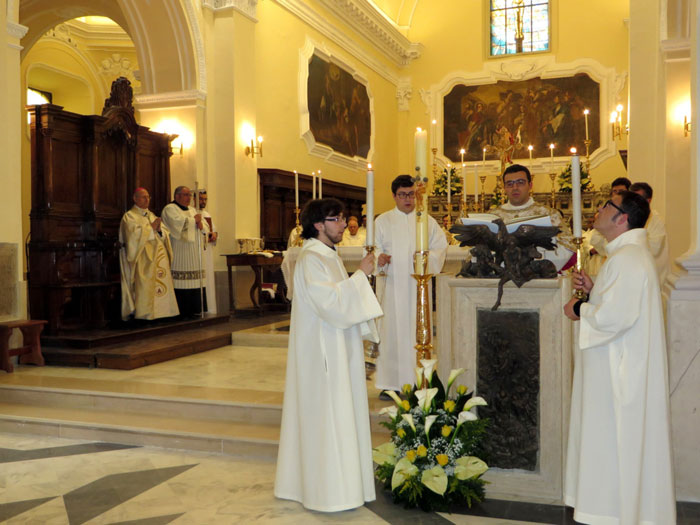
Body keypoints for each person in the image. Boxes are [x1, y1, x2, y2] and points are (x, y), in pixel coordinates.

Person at [563, 191, 675, 525]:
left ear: (622, 218)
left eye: (606, 207)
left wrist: (579, 307)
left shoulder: (628, 258)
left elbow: (614, 318)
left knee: (615, 444)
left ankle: (611, 512)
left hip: (618, 376)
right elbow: (621, 304)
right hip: (617, 366)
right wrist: (597, 286)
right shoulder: (627, 256)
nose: (598, 210)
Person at [274, 198, 382, 512]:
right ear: (318, 225)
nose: (342, 224)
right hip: (323, 354)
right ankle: (329, 490)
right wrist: (360, 276)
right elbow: (330, 302)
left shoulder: (326, 254)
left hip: (336, 346)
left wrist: (357, 281)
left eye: (343, 218)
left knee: (337, 414)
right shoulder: (311, 258)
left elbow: (338, 300)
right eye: (336, 219)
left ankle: (343, 482)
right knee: (327, 417)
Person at [374, 175, 448, 396]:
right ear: (394, 196)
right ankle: (390, 383)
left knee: (418, 332)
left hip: (418, 289)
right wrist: (380, 258)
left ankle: (419, 381)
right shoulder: (382, 221)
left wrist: (427, 260)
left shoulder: (426, 221)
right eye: (402, 195)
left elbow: (440, 248)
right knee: (391, 334)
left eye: (411, 194)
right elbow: (372, 248)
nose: (407, 199)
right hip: (392, 287)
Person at [491, 164, 575, 271]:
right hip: (500, 275)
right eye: (510, 184)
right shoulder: (493, 216)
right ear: (504, 188)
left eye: (520, 182)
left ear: (530, 185)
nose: (515, 188)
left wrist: (536, 265)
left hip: (538, 278)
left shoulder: (549, 214)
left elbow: (567, 246)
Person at [119, 188, 180, 321]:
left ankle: (163, 312)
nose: (147, 200)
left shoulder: (151, 215)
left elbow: (164, 232)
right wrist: (150, 228)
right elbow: (132, 236)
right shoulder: (129, 216)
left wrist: (159, 230)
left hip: (158, 256)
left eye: (148, 197)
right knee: (145, 284)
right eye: (143, 197)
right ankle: (145, 314)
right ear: (135, 199)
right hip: (143, 258)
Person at [161, 186, 210, 318]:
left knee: (196, 281)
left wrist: (201, 224)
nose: (189, 198)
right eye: (186, 195)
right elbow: (177, 225)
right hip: (180, 251)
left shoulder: (193, 209)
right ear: (177, 196)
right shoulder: (170, 209)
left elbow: (205, 226)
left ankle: (196, 309)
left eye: (190, 195)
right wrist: (195, 220)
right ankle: (181, 311)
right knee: (181, 282)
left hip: (195, 253)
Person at [630, 182, 669, 286]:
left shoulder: (656, 220)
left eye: (637, 199)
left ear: (648, 201)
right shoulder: (630, 219)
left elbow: (654, 248)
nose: (633, 202)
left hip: (652, 279)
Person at [198, 189, 218, 314]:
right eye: (201, 199)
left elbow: (213, 230)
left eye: (205, 199)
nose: (203, 201)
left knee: (209, 279)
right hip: (199, 252)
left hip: (208, 251)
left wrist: (214, 235)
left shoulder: (207, 214)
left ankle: (210, 308)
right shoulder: (192, 214)